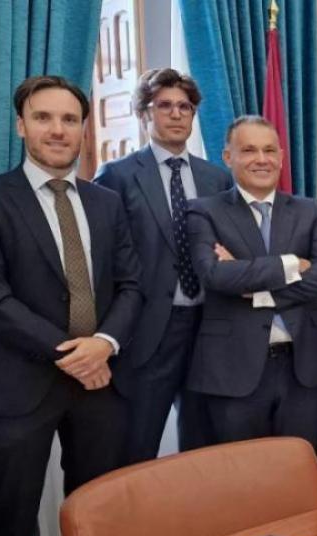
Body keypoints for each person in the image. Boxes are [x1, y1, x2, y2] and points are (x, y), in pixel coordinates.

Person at [0, 75, 143, 536]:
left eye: (69, 119)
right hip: (18, 387)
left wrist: (105, 344)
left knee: (99, 519)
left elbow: (133, 286)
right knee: (11, 523)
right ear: (21, 126)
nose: (57, 130)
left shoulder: (107, 202)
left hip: (101, 387)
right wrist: (76, 354)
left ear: (83, 129)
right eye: (43, 117)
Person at [94, 68, 229, 463]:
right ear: (144, 114)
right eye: (164, 105)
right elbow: (105, 262)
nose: (175, 114)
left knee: (204, 450)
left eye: (184, 106)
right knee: (136, 450)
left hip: (209, 329)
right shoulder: (117, 176)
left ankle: (202, 525)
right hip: (148, 332)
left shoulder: (216, 178)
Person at [185, 115, 317, 451]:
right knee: (241, 479)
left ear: (282, 157)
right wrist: (291, 264)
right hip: (233, 368)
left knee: (298, 472)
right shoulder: (203, 211)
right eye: (249, 150)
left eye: (270, 150)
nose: (261, 159)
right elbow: (214, 275)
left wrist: (253, 287)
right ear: (228, 157)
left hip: (303, 365)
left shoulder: (308, 209)